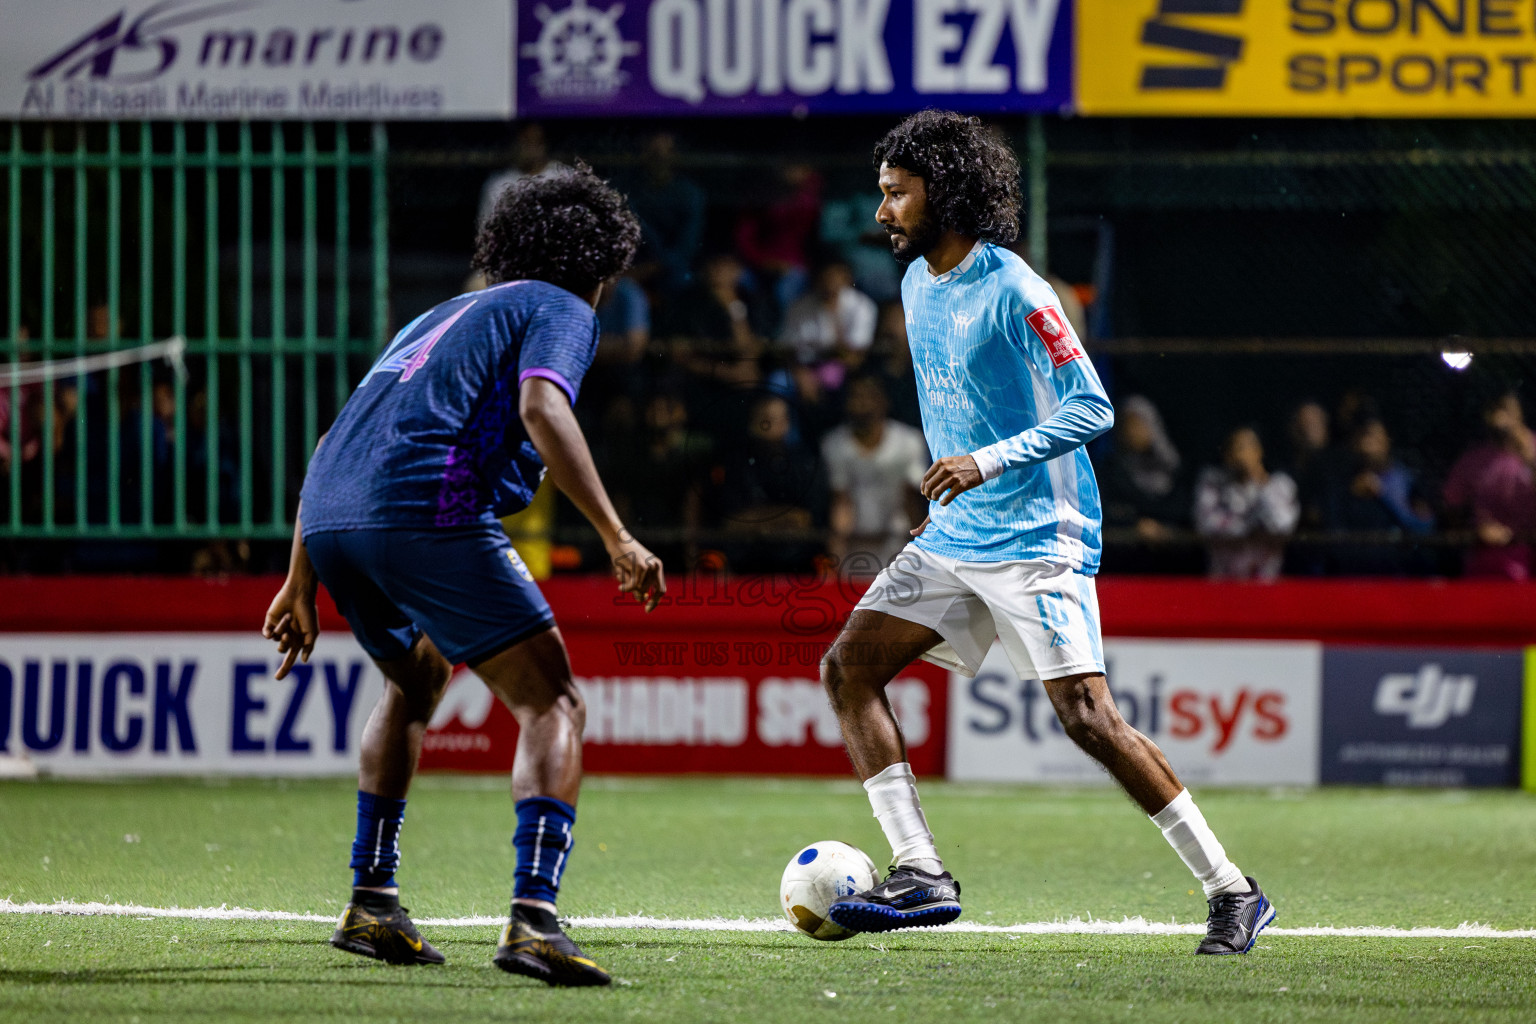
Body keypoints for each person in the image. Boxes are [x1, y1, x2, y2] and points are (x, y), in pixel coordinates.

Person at [819, 110, 1274, 956]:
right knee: (849, 668)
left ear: (944, 194)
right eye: (881, 195)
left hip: (1039, 537)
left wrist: (985, 465)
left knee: (1089, 719)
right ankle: (919, 871)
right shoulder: (917, 281)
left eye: (895, 195)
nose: (881, 213)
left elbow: (1092, 405)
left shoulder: (1018, 288)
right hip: (959, 534)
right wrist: (953, 495)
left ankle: (1233, 890)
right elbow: (956, 403)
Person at [261, 165, 665, 987]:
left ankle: (371, 900)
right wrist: (618, 537)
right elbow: (544, 409)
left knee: (415, 682)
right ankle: (533, 921)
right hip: (423, 511)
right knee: (552, 702)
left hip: (334, 518)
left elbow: (334, 439)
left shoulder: (436, 316)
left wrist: (299, 580)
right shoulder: (561, 306)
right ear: (603, 266)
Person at [822, 375, 929, 576]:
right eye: (856, 397)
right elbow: (841, 501)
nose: (862, 403)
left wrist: (921, 551)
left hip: (898, 544)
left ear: (884, 400)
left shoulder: (908, 442)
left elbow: (912, 500)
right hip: (853, 546)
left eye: (869, 396)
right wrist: (833, 558)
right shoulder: (834, 444)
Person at [1319, 417, 1434, 575]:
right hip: (1353, 579)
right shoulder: (1341, 486)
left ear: (1387, 439)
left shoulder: (1406, 480)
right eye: (1363, 437)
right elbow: (1334, 538)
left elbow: (1423, 529)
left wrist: (1382, 494)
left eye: (1374, 436)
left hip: (1398, 577)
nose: (1369, 445)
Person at [1443, 390, 1535, 581]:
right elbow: (1450, 509)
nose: (1500, 416)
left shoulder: (1532, 450)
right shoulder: (1473, 460)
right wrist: (1476, 531)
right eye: (1494, 409)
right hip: (1483, 562)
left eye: (1506, 409)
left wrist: (1530, 460)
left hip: (1529, 560)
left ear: (1520, 412)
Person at [1194, 426, 1299, 581]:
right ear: (1227, 455)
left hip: (1265, 580)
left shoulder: (1280, 485)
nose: (1242, 455)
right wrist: (1249, 529)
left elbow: (1281, 525)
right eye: (1236, 448)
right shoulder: (1212, 483)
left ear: (1259, 451)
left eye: (1248, 447)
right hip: (1224, 580)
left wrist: (1259, 481)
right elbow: (1206, 524)